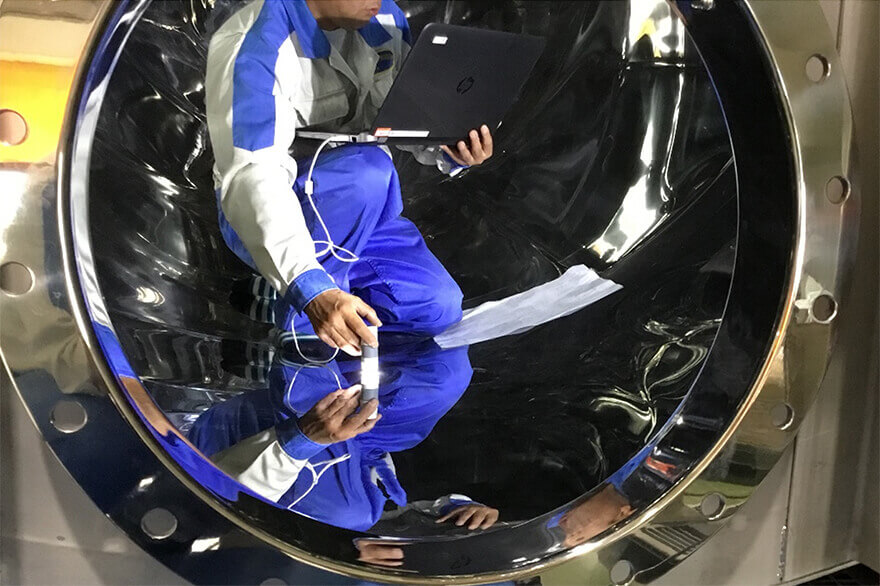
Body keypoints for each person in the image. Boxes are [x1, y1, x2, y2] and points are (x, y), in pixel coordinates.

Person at [205, 0, 494, 357]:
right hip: (269, 213)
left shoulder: (384, 18)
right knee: (367, 171)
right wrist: (308, 287)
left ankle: (288, 295)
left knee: (438, 308)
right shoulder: (254, 41)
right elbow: (253, 175)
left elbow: (397, 120)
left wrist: (450, 148)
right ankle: (298, 313)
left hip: (366, 212)